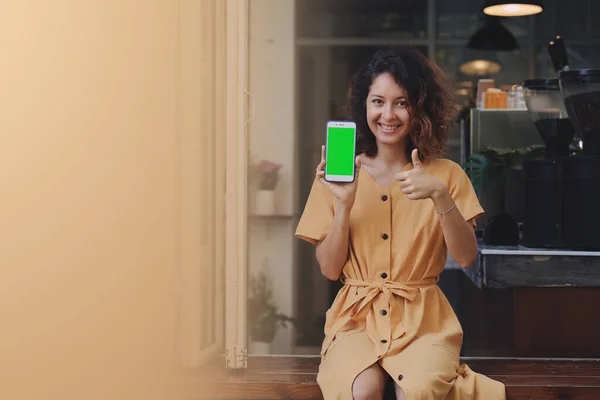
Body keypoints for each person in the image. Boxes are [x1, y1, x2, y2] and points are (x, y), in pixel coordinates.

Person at [295, 47, 506, 400]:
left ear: (419, 108)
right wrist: (344, 205)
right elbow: (331, 269)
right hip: (355, 321)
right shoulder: (339, 179)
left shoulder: (445, 176)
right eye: (378, 101)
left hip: (424, 322)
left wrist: (441, 198)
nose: (388, 114)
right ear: (365, 107)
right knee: (360, 392)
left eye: (402, 103)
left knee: (419, 390)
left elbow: (468, 258)